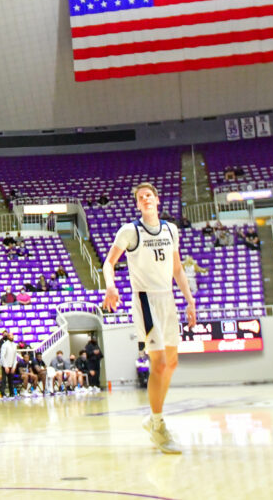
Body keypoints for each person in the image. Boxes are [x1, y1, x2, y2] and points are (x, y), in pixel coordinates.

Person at [102, 182, 196, 454]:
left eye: (149, 195)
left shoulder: (171, 229)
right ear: (138, 204)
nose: (145, 199)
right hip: (145, 299)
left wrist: (189, 300)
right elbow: (109, 262)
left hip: (168, 298)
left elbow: (178, 268)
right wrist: (111, 285)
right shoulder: (130, 231)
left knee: (172, 362)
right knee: (159, 363)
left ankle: (154, 417)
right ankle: (158, 424)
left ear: (157, 199)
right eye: (140, 197)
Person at [0, 332, 18, 397]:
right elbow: (2, 356)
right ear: (8, 337)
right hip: (5, 365)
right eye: (10, 336)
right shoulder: (4, 345)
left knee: (11, 380)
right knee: (4, 380)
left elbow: (15, 356)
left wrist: (14, 366)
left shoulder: (15, 345)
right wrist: (5, 366)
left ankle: (12, 393)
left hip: (11, 364)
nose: (11, 337)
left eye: (12, 335)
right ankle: (2, 393)